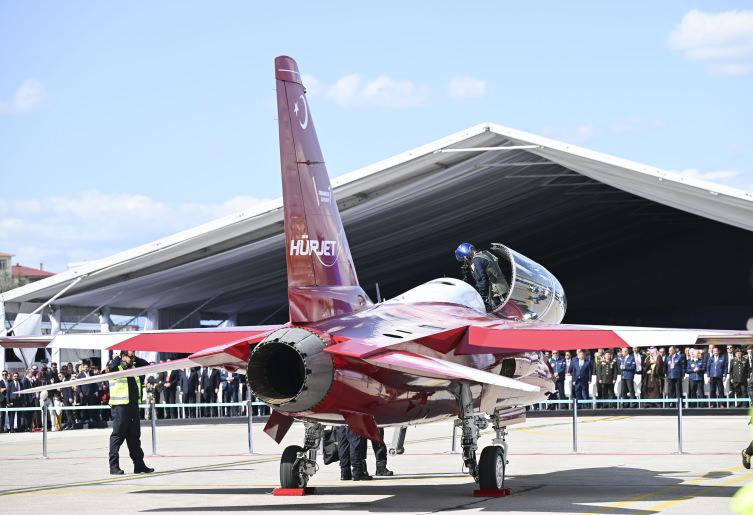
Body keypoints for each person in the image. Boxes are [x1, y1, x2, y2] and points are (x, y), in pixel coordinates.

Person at [108, 350, 154, 475]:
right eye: (130, 356)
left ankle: (139, 465)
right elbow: (111, 367)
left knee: (134, 436)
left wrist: (132, 357)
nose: (133, 359)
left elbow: (146, 364)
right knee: (118, 436)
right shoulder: (115, 366)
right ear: (122, 356)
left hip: (133, 406)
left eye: (134, 356)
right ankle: (113, 466)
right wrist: (119, 358)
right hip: (120, 407)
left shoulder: (133, 367)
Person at [454, 242, 510, 312]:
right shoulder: (485, 254)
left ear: (465, 255)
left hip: (497, 295)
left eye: (464, 258)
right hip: (505, 290)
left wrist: (482, 299)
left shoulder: (476, 261)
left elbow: (482, 282)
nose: (465, 261)